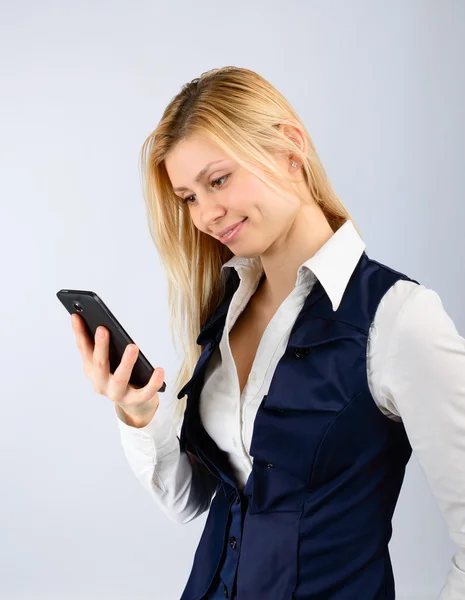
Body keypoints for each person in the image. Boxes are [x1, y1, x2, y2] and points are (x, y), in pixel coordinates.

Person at [71, 66, 465, 599]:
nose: (206, 214)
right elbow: (190, 500)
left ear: (290, 148)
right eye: (188, 197)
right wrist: (139, 414)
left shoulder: (400, 318)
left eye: (218, 180)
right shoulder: (224, 310)